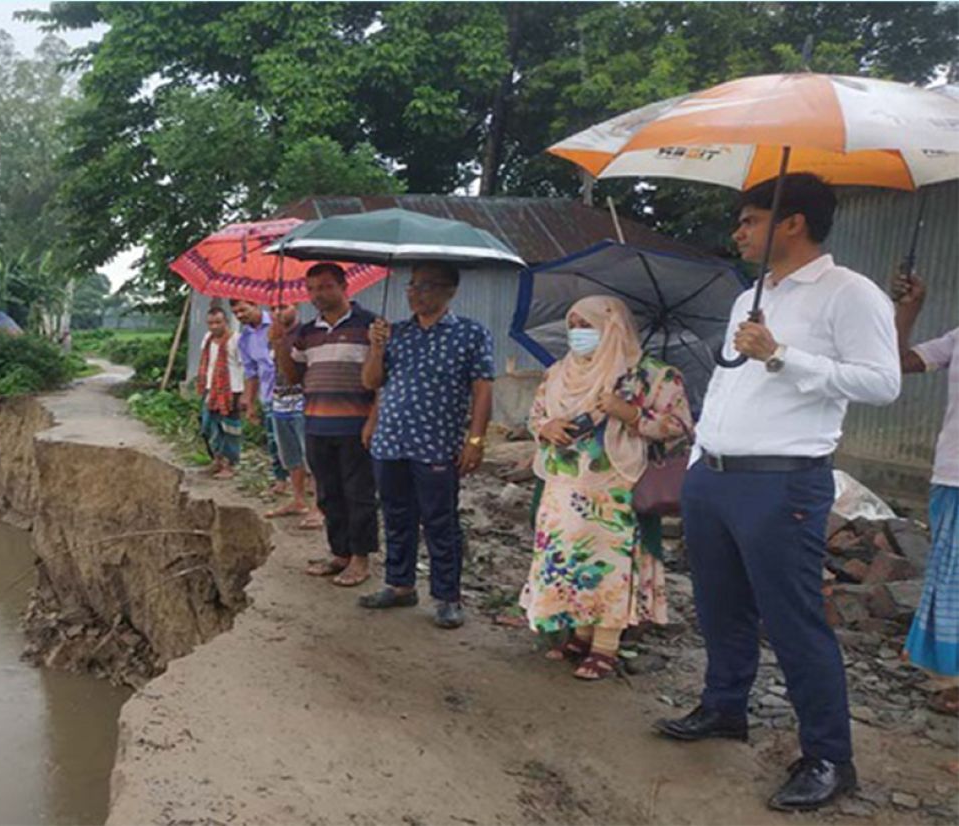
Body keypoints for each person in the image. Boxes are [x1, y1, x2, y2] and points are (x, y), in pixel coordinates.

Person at [654, 174, 901, 813]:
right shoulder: (751, 295)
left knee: (793, 620)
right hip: (714, 474)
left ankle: (827, 755)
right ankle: (724, 705)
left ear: (792, 223)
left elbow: (882, 383)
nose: (739, 231)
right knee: (717, 602)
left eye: (751, 219)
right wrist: (698, 457)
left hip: (782, 479)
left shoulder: (851, 294)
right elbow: (737, 385)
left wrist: (783, 353)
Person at [519, 296, 691, 677]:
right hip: (562, 486)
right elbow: (536, 416)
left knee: (608, 565)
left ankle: (606, 647)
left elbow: (680, 428)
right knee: (568, 559)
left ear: (613, 327)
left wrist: (629, 413)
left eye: (588, 325)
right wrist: (545, 428)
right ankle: (580, 633)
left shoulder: (653, 375)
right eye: (573, 324)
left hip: (615, 489)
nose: (578, 334)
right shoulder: (560, 372)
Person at [357, 261, 494, 629]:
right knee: (397, 517)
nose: (416, 293)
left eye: (427, 286)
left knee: (440, 521)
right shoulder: (396, 333)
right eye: (412, 286)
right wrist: (375, 347)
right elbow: (373, 383)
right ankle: (400, 585)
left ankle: (447, 597)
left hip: (437, 444)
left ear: (450, 291)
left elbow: (482, 388)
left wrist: (476, 440)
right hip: (391, 441)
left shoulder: (470, 334)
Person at [272, 263, 378, 588]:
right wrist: (279, 344)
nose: (318, 294)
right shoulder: (306, 332)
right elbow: (294, 377)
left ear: (344, 286)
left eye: (326, 286)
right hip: (317, 424)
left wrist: (373, 421)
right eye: (312, 288)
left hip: (356, 426)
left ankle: (361, 560)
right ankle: (340, 554)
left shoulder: (371, 325)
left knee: (358, 495)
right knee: (329, 495)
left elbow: (381, 380)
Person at [892, 271, 959, 721]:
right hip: (953, 475)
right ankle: (954, 678)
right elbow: (895, 362)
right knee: (951, 578)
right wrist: (908, 310)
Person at [265, 302, 324, 529]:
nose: (277, 312)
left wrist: (283, 344)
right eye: (273, 308)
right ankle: (298, 500)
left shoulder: (307, 333)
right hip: (280, 402)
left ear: (296, 306)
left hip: (303, 402)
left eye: (283, 306)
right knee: (290, 456)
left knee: (312, 457)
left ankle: (319, 506)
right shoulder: (274, 335)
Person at [229, 299, 289, 495]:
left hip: (291, 392)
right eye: (236, 312)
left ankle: (305, 481)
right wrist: (249, 401)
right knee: (273, 439)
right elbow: (251, 372)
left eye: (243, 310)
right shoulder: (244, 338)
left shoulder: (277, 324)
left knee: (296, 439)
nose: (240, 315)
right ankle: (280, 480)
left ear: (256, 305)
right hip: (268, 394)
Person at [197, 305, 245, 479]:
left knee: (230, 429)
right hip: (211, 390)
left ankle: (230, 465)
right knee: (208, 426)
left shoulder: (236, 340)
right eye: (210, 323)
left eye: (218, 322)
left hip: (231, 390)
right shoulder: (207, 339)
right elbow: (206, 363)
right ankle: (217, 460)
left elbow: (244, 367)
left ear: (225, 321)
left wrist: (244, 395)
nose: (214, 326)